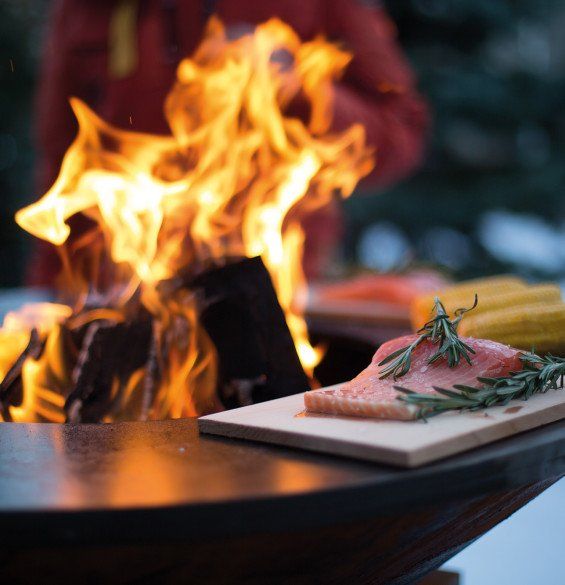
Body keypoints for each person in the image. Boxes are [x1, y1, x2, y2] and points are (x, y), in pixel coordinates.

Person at [29, 0, 428, 285]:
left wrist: (303, 92)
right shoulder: (86, 10)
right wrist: (50, 292)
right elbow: (61, 169)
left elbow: (402, 130)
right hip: (127, 301)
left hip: (284, 295)